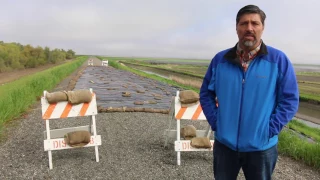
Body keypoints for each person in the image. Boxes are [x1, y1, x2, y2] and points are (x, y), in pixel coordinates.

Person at [199, 4, 299, 180]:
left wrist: (269, 129)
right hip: (225, 146)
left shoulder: (278, 60)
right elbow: (206, 94)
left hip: (261, 148)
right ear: (237, 27)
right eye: (244, 23)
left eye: (255, 23)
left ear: (262, 27)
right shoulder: (220, 60)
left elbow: (290, 100)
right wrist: (216, 122)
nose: (249, 28)